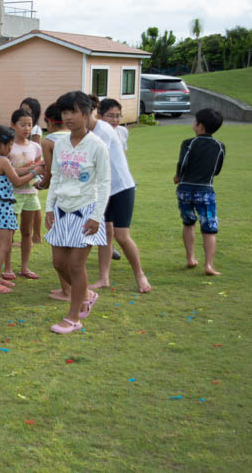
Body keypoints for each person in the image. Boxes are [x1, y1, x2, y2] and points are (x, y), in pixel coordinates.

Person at [44, 91, 110, 334]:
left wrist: (96, 216)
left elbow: (104, 183)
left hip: (87, 210)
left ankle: (73, 317)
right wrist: (50, 207)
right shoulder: (59, 143)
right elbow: (57, 177)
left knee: (75, 266)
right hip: (62, 209)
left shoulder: (97, 146)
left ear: (86, 113)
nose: (68, 117)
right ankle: (87, 294)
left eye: (73, 112)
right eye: (65, 112)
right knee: (59, 263)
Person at [86, 95, 151, 293]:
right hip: (103, 189)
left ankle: (140, 274)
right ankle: (104, 278)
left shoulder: (103, 130)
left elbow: (93, 158)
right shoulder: (89, 131)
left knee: (122, 236)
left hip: (121, 187)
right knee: (105, 233)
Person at [0, 126, 44, 294]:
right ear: (1, 145)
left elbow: (15, 172)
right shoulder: (3, 160)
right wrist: (35, 172)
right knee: (4, 246)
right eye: (9, 145)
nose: (11, 148)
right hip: (3, 207)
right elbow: (17, 181)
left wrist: (32, 168)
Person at [174, 108, 225, 276]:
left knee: (188, 223)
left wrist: (177, 176)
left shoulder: (188, 143)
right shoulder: (219, 146)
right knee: (209, 228)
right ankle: (208, 265)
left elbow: (183, 163)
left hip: (185, 189)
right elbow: (216, 170)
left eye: (195, 121)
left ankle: (190, 258)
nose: (193, 124)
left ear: (200, 126)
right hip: (205, 190)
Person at [3, 108, 43, 281]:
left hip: (31, 193)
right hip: (13, 194)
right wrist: (31, 169)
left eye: (30, 124)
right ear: (13, 125)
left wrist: (38, 172)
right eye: (22, 124)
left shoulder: (36, 147)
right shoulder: (9, 147)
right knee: (9, 233)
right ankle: (8, 267)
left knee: (27, 232)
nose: (27, 128)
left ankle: (25, 267)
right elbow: (8, 170)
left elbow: (41, 166)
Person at [38, 103, 72, 302]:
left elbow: (50, 173)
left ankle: (69, 291)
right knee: (68, 246)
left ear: (49, 121)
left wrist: (40, 185)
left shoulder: (49, 141)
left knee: (59, 245)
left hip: (60, 196)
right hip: (78, 195)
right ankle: (67, 289)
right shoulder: (75, 137)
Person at [21, 97, 44, 243]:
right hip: (26, 168)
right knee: (32, 203)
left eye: (28, 110)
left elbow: (36, 149)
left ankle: (36, 235)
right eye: (22, 108)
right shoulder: (22, 125)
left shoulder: (35, 129)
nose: (24, 111)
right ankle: (34, 235)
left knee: (33, 204)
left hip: (32, 168)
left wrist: (33, 167)